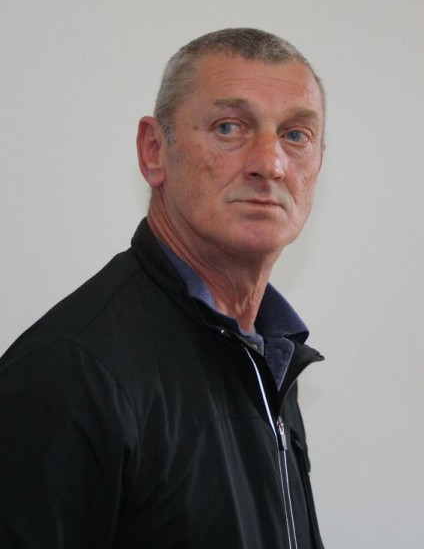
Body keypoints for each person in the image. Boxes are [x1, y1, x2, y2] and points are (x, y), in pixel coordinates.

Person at [0, 28, 326, 548]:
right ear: (154, 151)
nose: (271, 164)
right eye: (229, 127)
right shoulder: (72, 371)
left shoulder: (268, 353)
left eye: (296, 135)